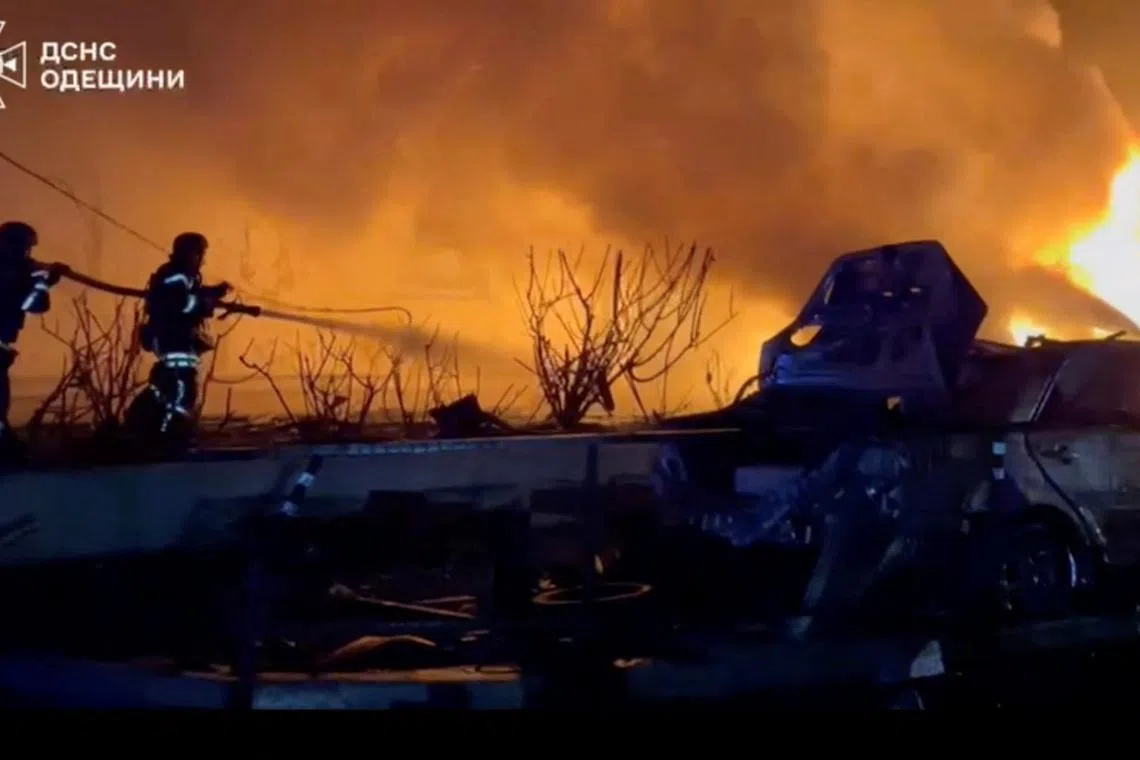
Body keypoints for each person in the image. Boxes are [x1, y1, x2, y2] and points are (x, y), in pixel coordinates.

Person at [124, 232, 231, 453]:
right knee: (183, 388)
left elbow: (191, 294)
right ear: (190, 253)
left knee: (167, 384)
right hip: (174, 339)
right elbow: (181, 303)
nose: (202, 259)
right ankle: (170, 434)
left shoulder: (180, 274)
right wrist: (206, 304)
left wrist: (214, 292)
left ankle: (143, 422)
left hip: (174, 339)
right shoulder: (175, 275)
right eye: (200, 254)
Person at [0, 221, 64, 458]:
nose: (27, 254)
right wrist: (41, 283)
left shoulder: (15, 271)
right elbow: (31, 304)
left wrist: (40, 280)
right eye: (25, 247)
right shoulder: (7, 273)